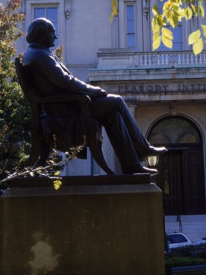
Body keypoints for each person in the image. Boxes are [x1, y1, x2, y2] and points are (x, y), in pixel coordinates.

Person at [22, 17, 167, 174]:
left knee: (113, 114)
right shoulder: (39, 55)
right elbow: (65, 81)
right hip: (64, 112)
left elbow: (63, 82)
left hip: (66, 107)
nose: (55, 37)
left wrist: (92, 91)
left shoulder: (37, 53)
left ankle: (132, 164)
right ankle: (142, 149)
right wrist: (94, 90)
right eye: (52, 32)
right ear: (42, 34)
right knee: (117, 101)